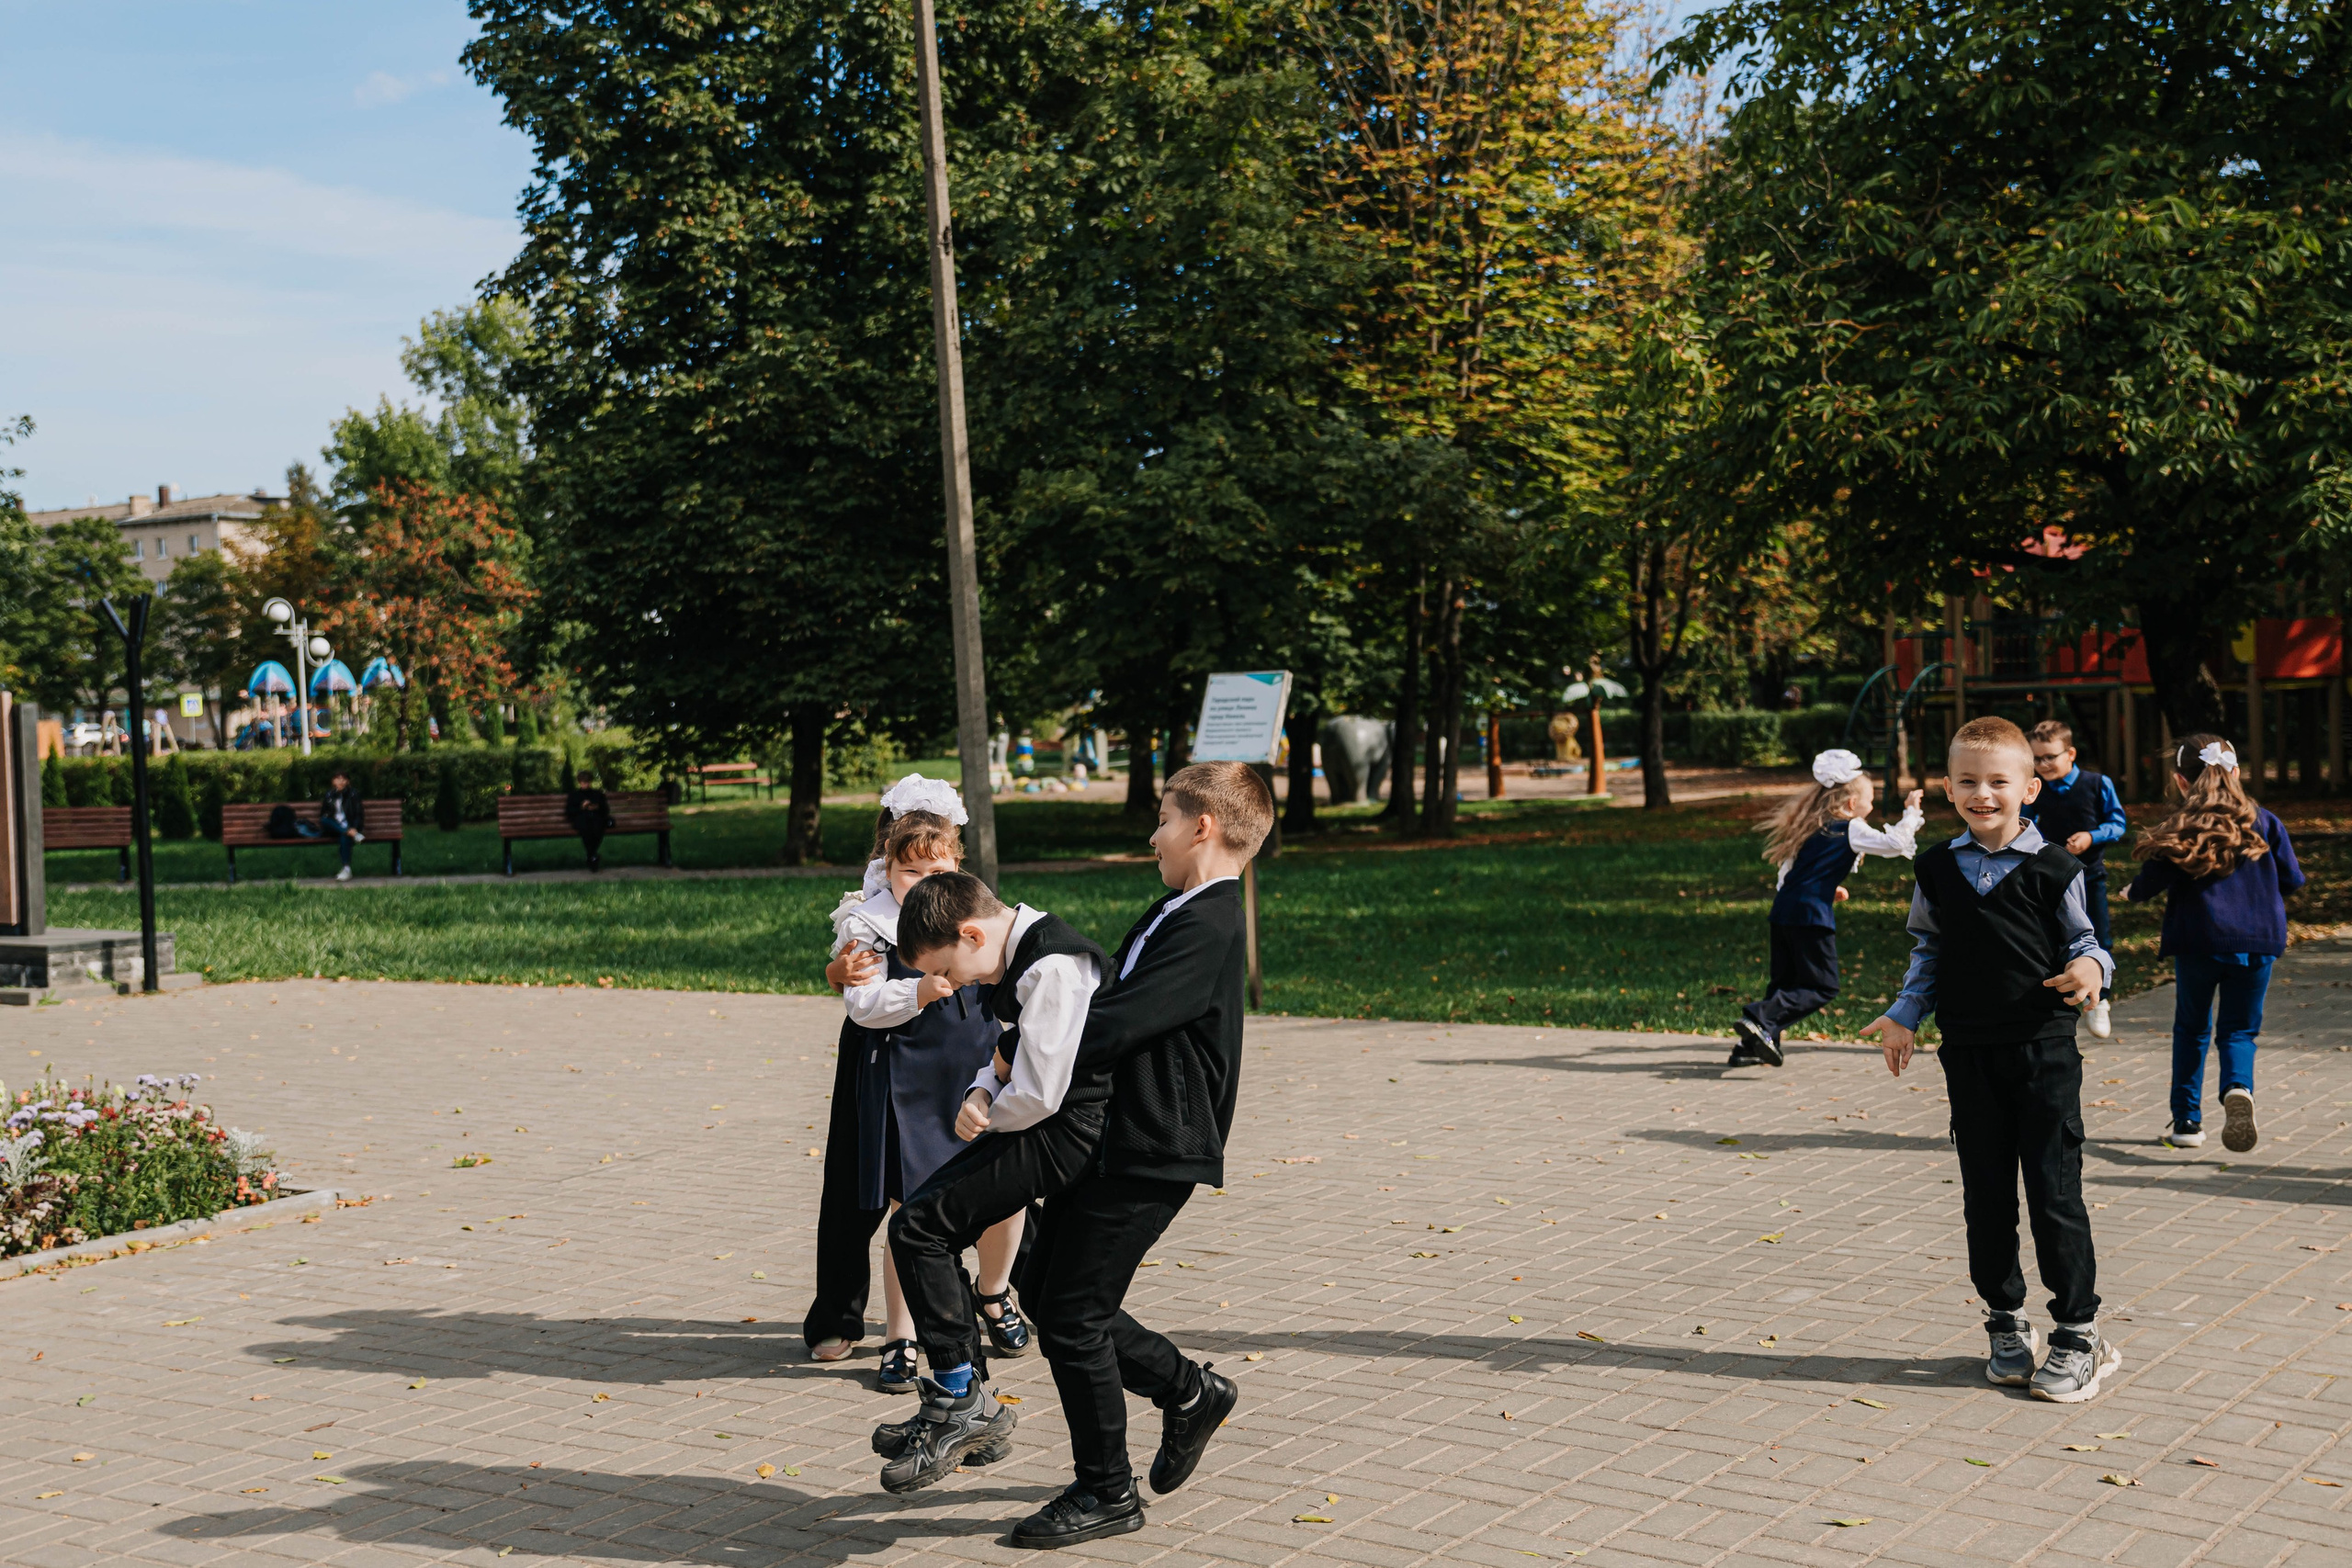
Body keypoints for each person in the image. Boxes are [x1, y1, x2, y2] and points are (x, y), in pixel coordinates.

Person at [981, 761, 1270, 1549]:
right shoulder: (1178, 907)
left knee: (1073, 1315)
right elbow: (1103, 999)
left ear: (1202, 826)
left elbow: (1116, 1021)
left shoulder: (1208, 923)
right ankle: (1189, 1390)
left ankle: (1106, 1489)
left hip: (1155, 1146)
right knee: (1046, 1287)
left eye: (1164, 819)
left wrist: (1019, 1047)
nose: (1153, 836)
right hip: (1115, 1134)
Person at [1862, 716, 2119, 1403]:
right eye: (1968, 781)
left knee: (2052, 1192)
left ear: (2029, 787)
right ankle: (2006, 1322)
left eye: (1998, 781)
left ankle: (2078, 1330)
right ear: (1948, 787)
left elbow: (2088, 940)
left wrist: (2092, 970)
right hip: (1970, 1054)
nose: (1983, 793)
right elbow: (1930, 951)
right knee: (1986, 1197)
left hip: (2042, 1053)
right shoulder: (1937, 868)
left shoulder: (2055, 867)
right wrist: (1904, 1013)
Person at [869, 869, 1107, 1495]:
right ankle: (967, 1404)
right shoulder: (1025, 955)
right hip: (1040, 1124)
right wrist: (981, 1086)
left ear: (971, 932)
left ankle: (961, 1399)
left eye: (953, 967)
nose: (959, 984)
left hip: (1063, 1130)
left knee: (917, 1226)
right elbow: (1010, 1049)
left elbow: (1039, 1091)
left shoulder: (1048, 966)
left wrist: (985, 1111)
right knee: (926, 1227)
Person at [803, 780, 1032, 1388]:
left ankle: (994, 1291)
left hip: (975, 1068)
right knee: (908, 1207)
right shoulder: (871, 921)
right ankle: (899, 1332)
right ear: (886, 863)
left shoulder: (979, 914)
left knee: (1001, 1193)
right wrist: (917, 989)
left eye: (938, 867)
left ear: (959, 865)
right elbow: (863, 1000)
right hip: (906, 1077)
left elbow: (1015, 984)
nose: (924, 881)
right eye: (909, 870)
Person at [2121, 736, 2303, 1154]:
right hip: (2258, 942)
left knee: (2191, 1029)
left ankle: (2187, 1122)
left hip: (2198, 940)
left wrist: (2131, 893)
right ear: (2236, 772)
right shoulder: (2266, 821)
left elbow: (2150, 881)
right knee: (2240, 1029)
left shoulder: (2182, 826)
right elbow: (2292, 880)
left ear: (2181, 782)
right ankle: (2238, 1088)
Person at [1730, 749, 1923, 1068]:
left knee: (1784, 982)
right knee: (1823, 985)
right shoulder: (1851, 826)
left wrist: (1824, 888)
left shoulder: (1810, 825)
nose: (1871, 807)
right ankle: (1761, 1017)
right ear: (1851, 804)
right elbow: (1895, 845)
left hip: (1784, 910)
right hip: (1810, 916)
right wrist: (1911, 814)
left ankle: (1750, 1045)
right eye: (1870, 800)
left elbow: (1790, 874)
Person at [2022, 719, 2128, 1039]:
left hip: (2089, 875)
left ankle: (2099, 1001)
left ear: (2070, 753)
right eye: (2036, 759)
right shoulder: (2034, 789)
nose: (2043, 765)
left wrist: (2092, 837)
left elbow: (2118, 823)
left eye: (2049, 757)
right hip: (2047, 879)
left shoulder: (2097, 784)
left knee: (2097, 935)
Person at [316, 770, 367, 882]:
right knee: (325, 820)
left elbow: (359, 814)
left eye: (343, 779)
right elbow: (323, 815)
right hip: (334, 827)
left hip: (349, 826)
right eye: (338, 778)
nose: (341, 781)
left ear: (347, 782)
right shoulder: (329, 795)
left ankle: (346, 869)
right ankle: (351, 833)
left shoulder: (353, 794)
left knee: (344, 836)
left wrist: (354, 827)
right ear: (333, 781)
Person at [564, 769, 614, 870]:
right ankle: (593, 856)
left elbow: (605, 809)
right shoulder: (574, 795)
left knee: (598, 827)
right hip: (581, 819)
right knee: (586, 828)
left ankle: (591, 855)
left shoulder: (597, 794)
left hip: (596, 819)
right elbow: (569, 811)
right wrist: (581, 807)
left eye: (586, 782)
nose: (584, 784)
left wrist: (596, 807)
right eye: (582, 782)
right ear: (579, 782)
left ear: (590, 782)